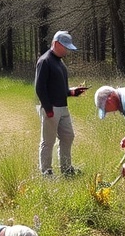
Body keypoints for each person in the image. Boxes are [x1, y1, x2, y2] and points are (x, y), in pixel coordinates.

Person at [34, 31, 88, 176]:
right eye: (65, 47)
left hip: (63, 107)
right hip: (50, 108)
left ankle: (66, 168)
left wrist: (72, 92)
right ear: (56, 44)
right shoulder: (45, 61)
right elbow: (40, 87)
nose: (67, 50)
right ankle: (46, 172)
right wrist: (48, 108)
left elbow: (60, 89)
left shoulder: (60, 62)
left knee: (68, 136)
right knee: (48, 141)